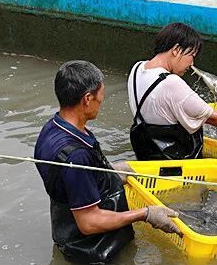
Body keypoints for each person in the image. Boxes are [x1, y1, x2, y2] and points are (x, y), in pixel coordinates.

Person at [34, 60, 180, 264]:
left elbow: (71, 183)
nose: (100, 105)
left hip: (66, 234)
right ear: (87, 99)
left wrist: (108, 172)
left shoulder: (51, 128)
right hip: (93, 249)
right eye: (99, 100)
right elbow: (89, 222)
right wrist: (145, 214)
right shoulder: (76, 156)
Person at [128, 22, 217, 161]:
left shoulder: (137, 68)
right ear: (176, 50)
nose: (192, 63)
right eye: (191, 56)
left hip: (147, 156)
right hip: (177, 164)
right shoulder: (171, 82)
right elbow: (212, 117)